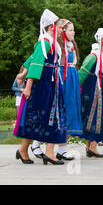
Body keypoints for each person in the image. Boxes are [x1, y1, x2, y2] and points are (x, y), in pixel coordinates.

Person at [14, 9, 66, 165]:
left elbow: (31, 59)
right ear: (51, 27)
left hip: (52, 84)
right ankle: (24, 150)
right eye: (59, 26)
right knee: (36, 118)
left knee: (53, 117)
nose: (61, 30)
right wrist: (28, 86)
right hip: (43, 85)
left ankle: (49, 152)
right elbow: (36, 64)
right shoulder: (44, 42)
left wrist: (22, 74)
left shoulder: (51, 42)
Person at [79, 28, 103, 158]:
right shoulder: (94, 56)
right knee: (93, 114)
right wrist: (75, 86)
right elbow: (83, 71)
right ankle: (93, 146)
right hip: (93, 86)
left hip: (102, 86)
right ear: (100, 42)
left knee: (100, 114)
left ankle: (90, 145)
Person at [53, 18, 83, 161]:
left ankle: (62, 149)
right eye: (70, 29)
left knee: (69, 110)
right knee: (60, 110)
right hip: (63, 77)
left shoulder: (71, 44)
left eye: (73, 29)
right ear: (63, 31)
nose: (73, 32)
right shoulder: (58, 45)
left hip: (71, 77)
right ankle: (38, 143)